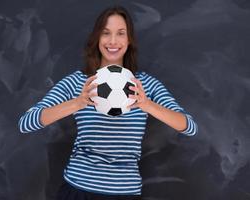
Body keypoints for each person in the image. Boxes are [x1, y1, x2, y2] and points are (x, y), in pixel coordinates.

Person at [18, 5, 198, 200]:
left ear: (129, 40)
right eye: (106, 33)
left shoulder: (145, 84)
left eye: (121, 33)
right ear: (97, 39)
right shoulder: (78, 82)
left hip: (125, 193)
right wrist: (76, 103)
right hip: (78, 190)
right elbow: (26, 123)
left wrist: (147, 105)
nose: (113, 41)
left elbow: (189, 127)